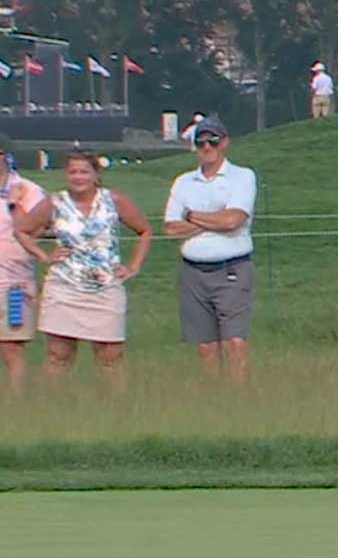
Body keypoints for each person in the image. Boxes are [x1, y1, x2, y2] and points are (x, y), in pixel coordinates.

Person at [19, 150, 152, 385]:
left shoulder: (114, 199)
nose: (78, 177)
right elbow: (22, 230)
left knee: (110, 356)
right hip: (64, 286)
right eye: (73, 172)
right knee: (59, 355)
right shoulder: (54, 202)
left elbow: (144, 230)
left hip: (106, 286)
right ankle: (50, 408)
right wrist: (44, 255)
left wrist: (133, 266)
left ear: (95, 175)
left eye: (84, 171)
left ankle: (117, 410)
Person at [161, 116, 258, 381]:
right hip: (193, 271)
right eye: (201, 142)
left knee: (234, 343)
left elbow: (234, 220)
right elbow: (170, 227)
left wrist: (191, 217)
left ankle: (238, 397)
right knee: (205, 346)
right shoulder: (183, 182)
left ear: (224, 143)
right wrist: (213, 219)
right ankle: (212, 396)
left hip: (231, 268)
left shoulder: (242, 176)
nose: (206, 147)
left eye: (212, 141)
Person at [1, 135, 50, 389]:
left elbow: (44, 225)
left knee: (11, 344)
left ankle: (17, 398)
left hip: (13, 281)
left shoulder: (27, 190)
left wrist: (14, 205)